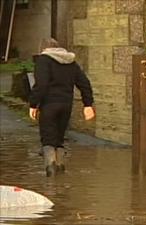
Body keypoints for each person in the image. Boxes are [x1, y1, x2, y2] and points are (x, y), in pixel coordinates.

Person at [29, 38, 95, 177]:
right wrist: (87, 104)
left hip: (49, 105)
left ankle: (51, 178)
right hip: (66, 105)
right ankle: (60, 174)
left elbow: (41, 85)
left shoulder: (43, 60)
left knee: (48, 139)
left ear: (43, 49)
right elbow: (84, 83)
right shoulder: (71, 62)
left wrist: (33, 104)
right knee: (59, 139)